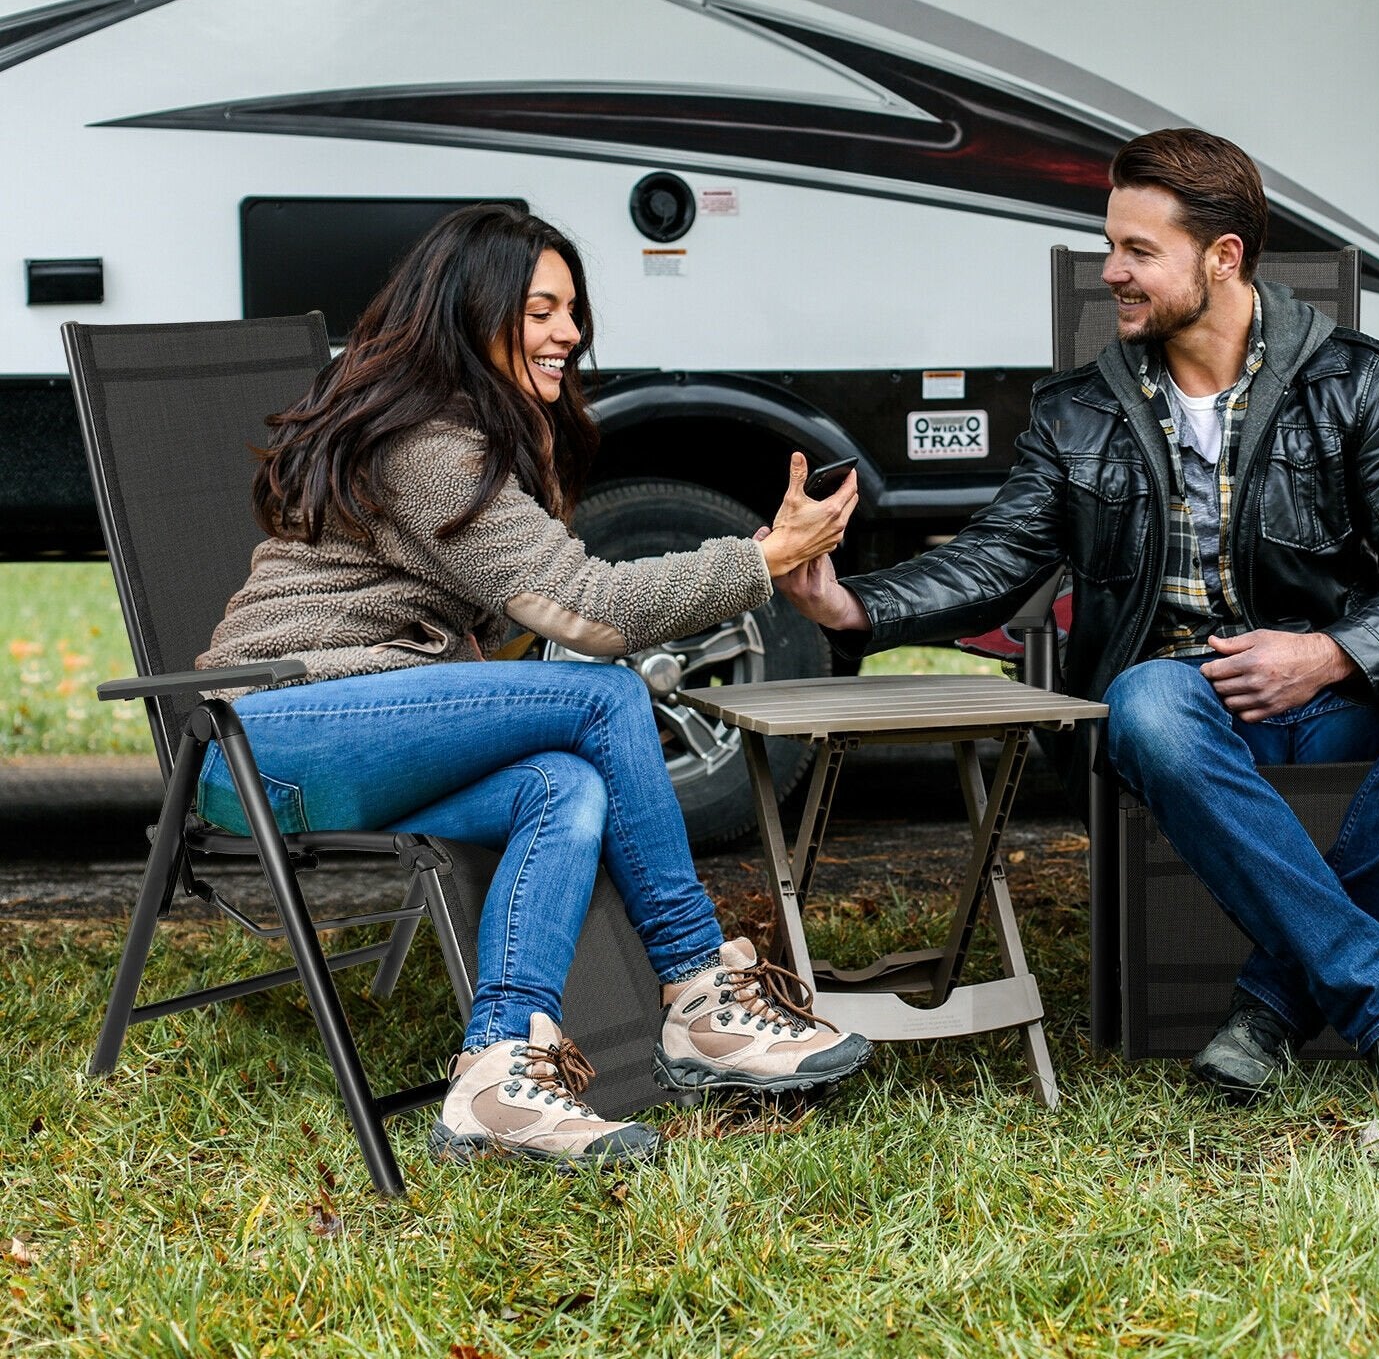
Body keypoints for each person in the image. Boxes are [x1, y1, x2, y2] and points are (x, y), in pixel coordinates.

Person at [777, 127, 1379, 1123]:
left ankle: (1274, 1003)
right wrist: (851, 604)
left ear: (1222, 257)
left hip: (1345, 695)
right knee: (1143, 699)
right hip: (1186, 716)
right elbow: (999, 556)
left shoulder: (1350, 382)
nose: (1110, 272)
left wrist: (1329, 652)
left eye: (1137, 251)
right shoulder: (1076, 410)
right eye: (1109, 247)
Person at [195, 201, 872, 1170]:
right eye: (543, 309)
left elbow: (535, 612)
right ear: (473, 313)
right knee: (603, 691)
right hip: (268, 730)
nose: (570, 332)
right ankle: (696, 990)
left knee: (568, 785)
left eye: (571, 310)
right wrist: (759, 558)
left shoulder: (460, 436)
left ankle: (495, 1076)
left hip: (343, 734)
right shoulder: (428, 445)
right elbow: (587, 613)